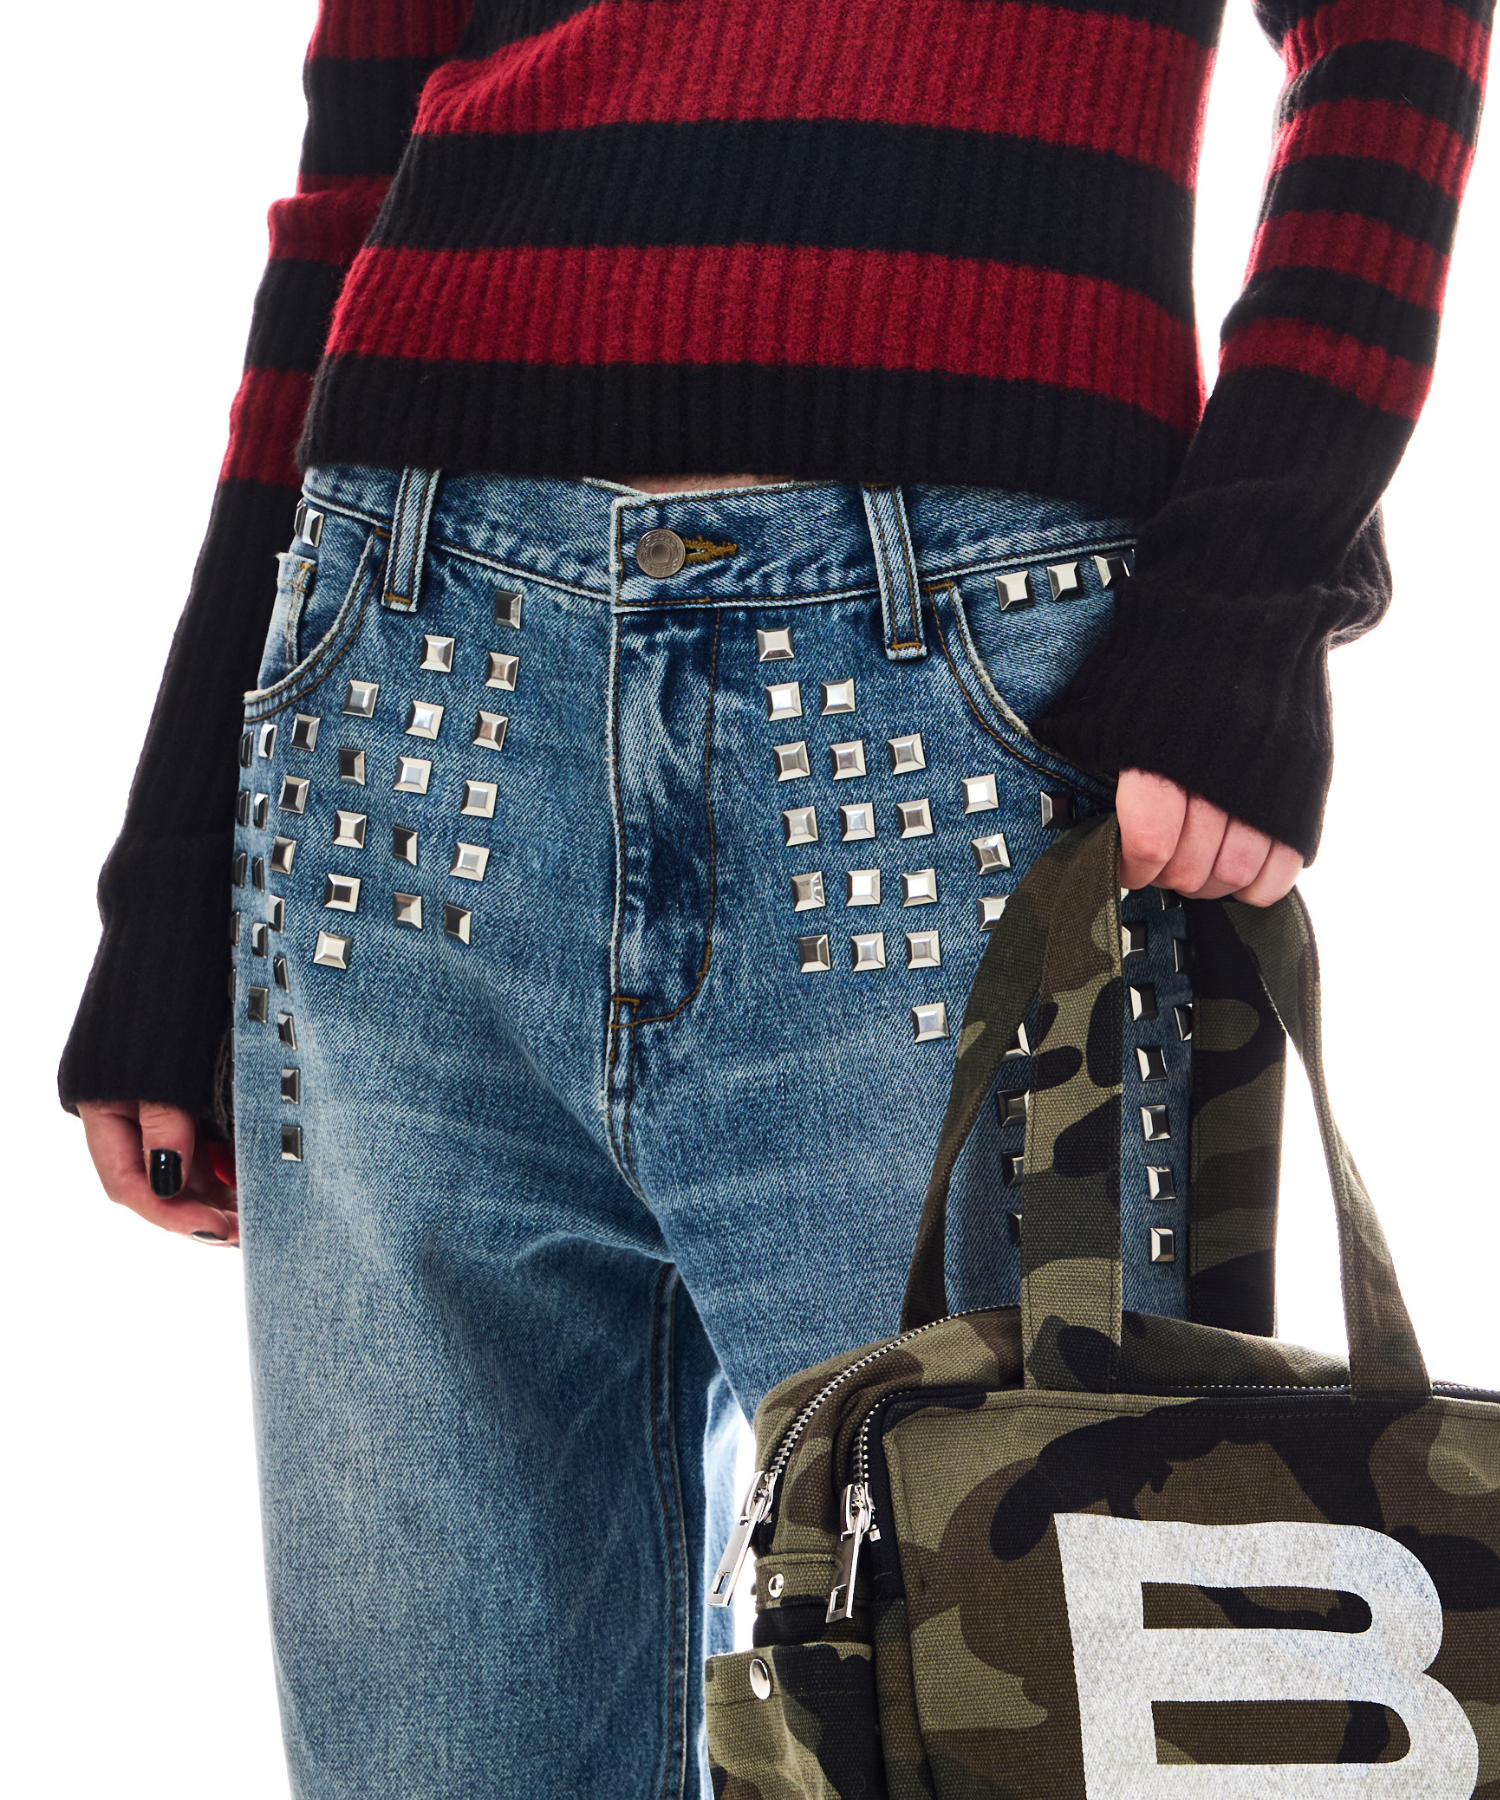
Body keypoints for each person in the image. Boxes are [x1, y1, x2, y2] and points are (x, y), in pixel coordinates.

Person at [60, 1, 1491, 1795]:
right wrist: (178, 862)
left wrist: (1258, 581)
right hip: (405, 680)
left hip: (943, 720)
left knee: (1009, 1731)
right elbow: (355, 162)